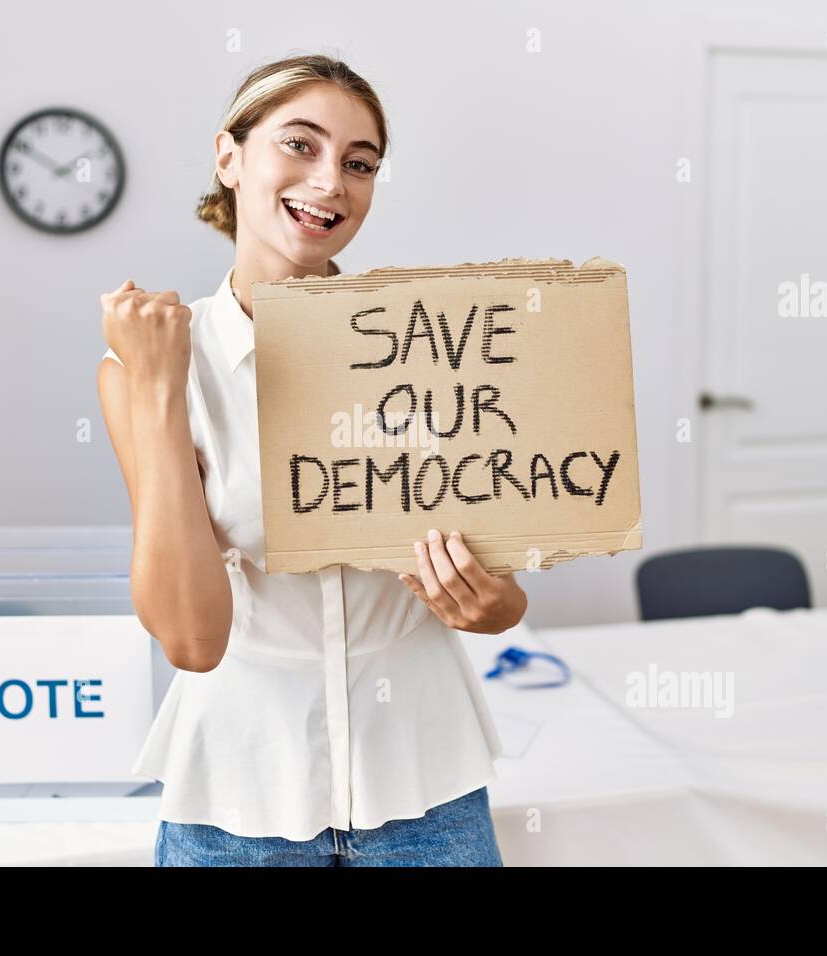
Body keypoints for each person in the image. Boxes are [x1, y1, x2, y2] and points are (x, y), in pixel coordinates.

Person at [97, 54, 528, 867]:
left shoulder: (431, 352)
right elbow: (192, 638)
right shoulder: (146, 369)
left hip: (426, 792)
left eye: (359, 164)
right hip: (237, 801)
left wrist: (485, 601)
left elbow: (506, 606)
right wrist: (160, 389)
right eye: (301, 145)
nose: (332, 181)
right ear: (229, 157)